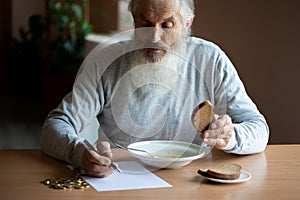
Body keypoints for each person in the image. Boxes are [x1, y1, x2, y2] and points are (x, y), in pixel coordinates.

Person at [41, 0, 269, 178]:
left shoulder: (211, 60)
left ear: (187, 24)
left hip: (193, 182)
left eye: (167, 25)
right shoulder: (105, 61)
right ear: (133, 19)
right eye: (146, 23)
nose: (154, 37)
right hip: (122, 178)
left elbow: (259, 129)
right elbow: (56, 124)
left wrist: (231, 136)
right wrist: (79, 153)